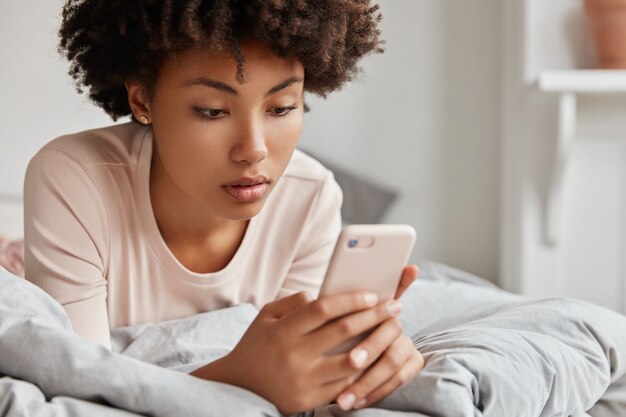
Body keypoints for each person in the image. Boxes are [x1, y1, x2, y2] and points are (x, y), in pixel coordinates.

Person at [23, 0, 423, 414]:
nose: (254, 150)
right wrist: (237, 379)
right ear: (142, 102)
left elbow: (299, 378)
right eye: (212, 111)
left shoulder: (312, 198)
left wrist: (354, 362)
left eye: (282, 107)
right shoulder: (74, 177)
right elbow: (80, 396)